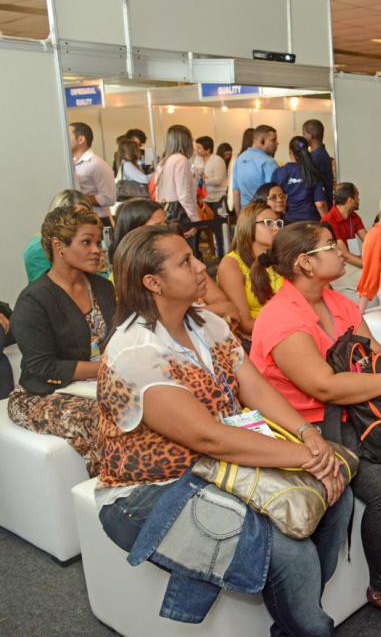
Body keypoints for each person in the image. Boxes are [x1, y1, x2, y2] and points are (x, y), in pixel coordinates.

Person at [96, 224, 352, 637]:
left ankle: (296, 617)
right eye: (186, 261)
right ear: (153, 283)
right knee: (290, 550)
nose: (201, 266)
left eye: (194, 256)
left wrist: (308, 434)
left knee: (337, 493)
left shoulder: (206, 325)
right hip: (155, 488)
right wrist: (309, 457)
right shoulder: (135, 352)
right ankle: (309, 625)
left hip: (218, 466)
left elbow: (255, 388)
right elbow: (208, 437)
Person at [248, 222, 381, 626]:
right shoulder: (281, 318)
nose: (341, 251)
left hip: (355, 412)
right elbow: (326, 387)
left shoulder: (336, 301)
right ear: (305, 263)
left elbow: (372, 351)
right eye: (331, 247)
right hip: (310, 427)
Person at [8, 206, 113, 476]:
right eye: (86, 242)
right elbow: (44, 368)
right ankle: (118, 495)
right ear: (59, 246)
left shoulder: (103, 288)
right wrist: (107, 369)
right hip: (39, 394)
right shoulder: (35, 300)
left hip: (95, 384)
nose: (96, 249)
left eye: (98, 242)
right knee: (103, 418)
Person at [111, 199, 239, 323]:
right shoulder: (123, 280)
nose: (165, 230)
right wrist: (204, 312)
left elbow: (224, 304)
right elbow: (159, 320)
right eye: (157, 226)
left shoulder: (185, 261)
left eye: (165, 223)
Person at [216, 202, 283, 338]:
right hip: (259, 337)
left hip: (289, 328)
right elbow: (245, 324)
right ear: (249, 226)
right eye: (268, 223)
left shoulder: (279, 256)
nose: (276, 228)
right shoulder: (231, 264)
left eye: (278, 223)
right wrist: (289, 325)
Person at [24, 189, 93, 282]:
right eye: (74, 218)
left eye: (86, 217)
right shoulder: (38, 249)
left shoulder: (89, 243)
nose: (82, 224)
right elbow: (44, 291)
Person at [271, 136, 330, 222]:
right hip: (311, 222)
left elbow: (273, 199)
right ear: (307, 150)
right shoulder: (313, 172)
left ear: (290, 152)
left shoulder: (278, 172)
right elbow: (320, 204)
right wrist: (327, 224)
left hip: (288, 222)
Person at [68, 122, 116, 222]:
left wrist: (77, 198)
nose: (64, 139)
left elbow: (109, 198)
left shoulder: (96, 164)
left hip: (98, 219)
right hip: (79, 218)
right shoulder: (70, 162)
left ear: (80, 139)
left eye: (68, 135)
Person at [154, 124, 200, 225]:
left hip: (166, 210)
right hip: (180, 214)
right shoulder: (181, 160)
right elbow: (183, 195)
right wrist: (194, 218)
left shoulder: (163, 162)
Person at [233, 124, 279, 208]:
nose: (277, 143)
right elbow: (275, 194)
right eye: (273, 140)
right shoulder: (268, 162)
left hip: (246, 213)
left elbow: (236, 191)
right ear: (262, 141)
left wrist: (239, 217)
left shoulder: (240, 159)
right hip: (264, 214)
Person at [322, 182, 366, 267]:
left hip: (353, 262)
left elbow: (368, 240)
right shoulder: (328, 220)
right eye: (357, 196)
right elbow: (344, 255)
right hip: (338, 265)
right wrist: (370, 266)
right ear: (350, 200)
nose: (359, 199)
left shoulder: (354, 216)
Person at [193, 135, 228, 213]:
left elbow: (218, 180)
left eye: (199, 148)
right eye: (196, 147)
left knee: (218, 223)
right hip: (203, 198)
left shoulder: (218, 160)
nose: (196, 150)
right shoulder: (197, 159)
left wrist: (204, 179)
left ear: (208, 150)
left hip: (217, 198)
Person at [302, 118, 334, 197]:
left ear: (310, 136)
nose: (303, 137)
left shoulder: (317, 157)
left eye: (304, 134)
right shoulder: (318, 154)